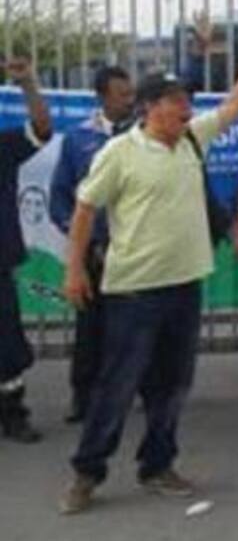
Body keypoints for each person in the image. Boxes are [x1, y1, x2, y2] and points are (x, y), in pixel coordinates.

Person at [58, 32, 238, 515]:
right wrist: (74, 271)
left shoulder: (192, 139)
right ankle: (87, 473)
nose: (187, 110)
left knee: (172, 386)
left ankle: (157, 465)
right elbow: (85, 209)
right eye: (177, 102)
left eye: (188, 102)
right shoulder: (119, 152)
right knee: (117, 386)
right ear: (150, 108)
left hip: (184, 287)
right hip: (134, 292)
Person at [49, 66, 136, 422]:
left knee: (133, 326)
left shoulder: (142, 136)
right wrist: (78, 236)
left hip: (134, 249)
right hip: (95, 249)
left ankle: (128, 394)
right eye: (121, 94)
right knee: (90, 328)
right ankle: (84, 398)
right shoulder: (78, 138)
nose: (129, 101)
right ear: (102, 97)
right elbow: (60, 197)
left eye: (131, 94)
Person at [0, 58, 52, 444]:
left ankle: (13, 414)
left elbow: (42, 130)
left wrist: (29, 85)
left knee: (6, 344)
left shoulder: (4, 146)